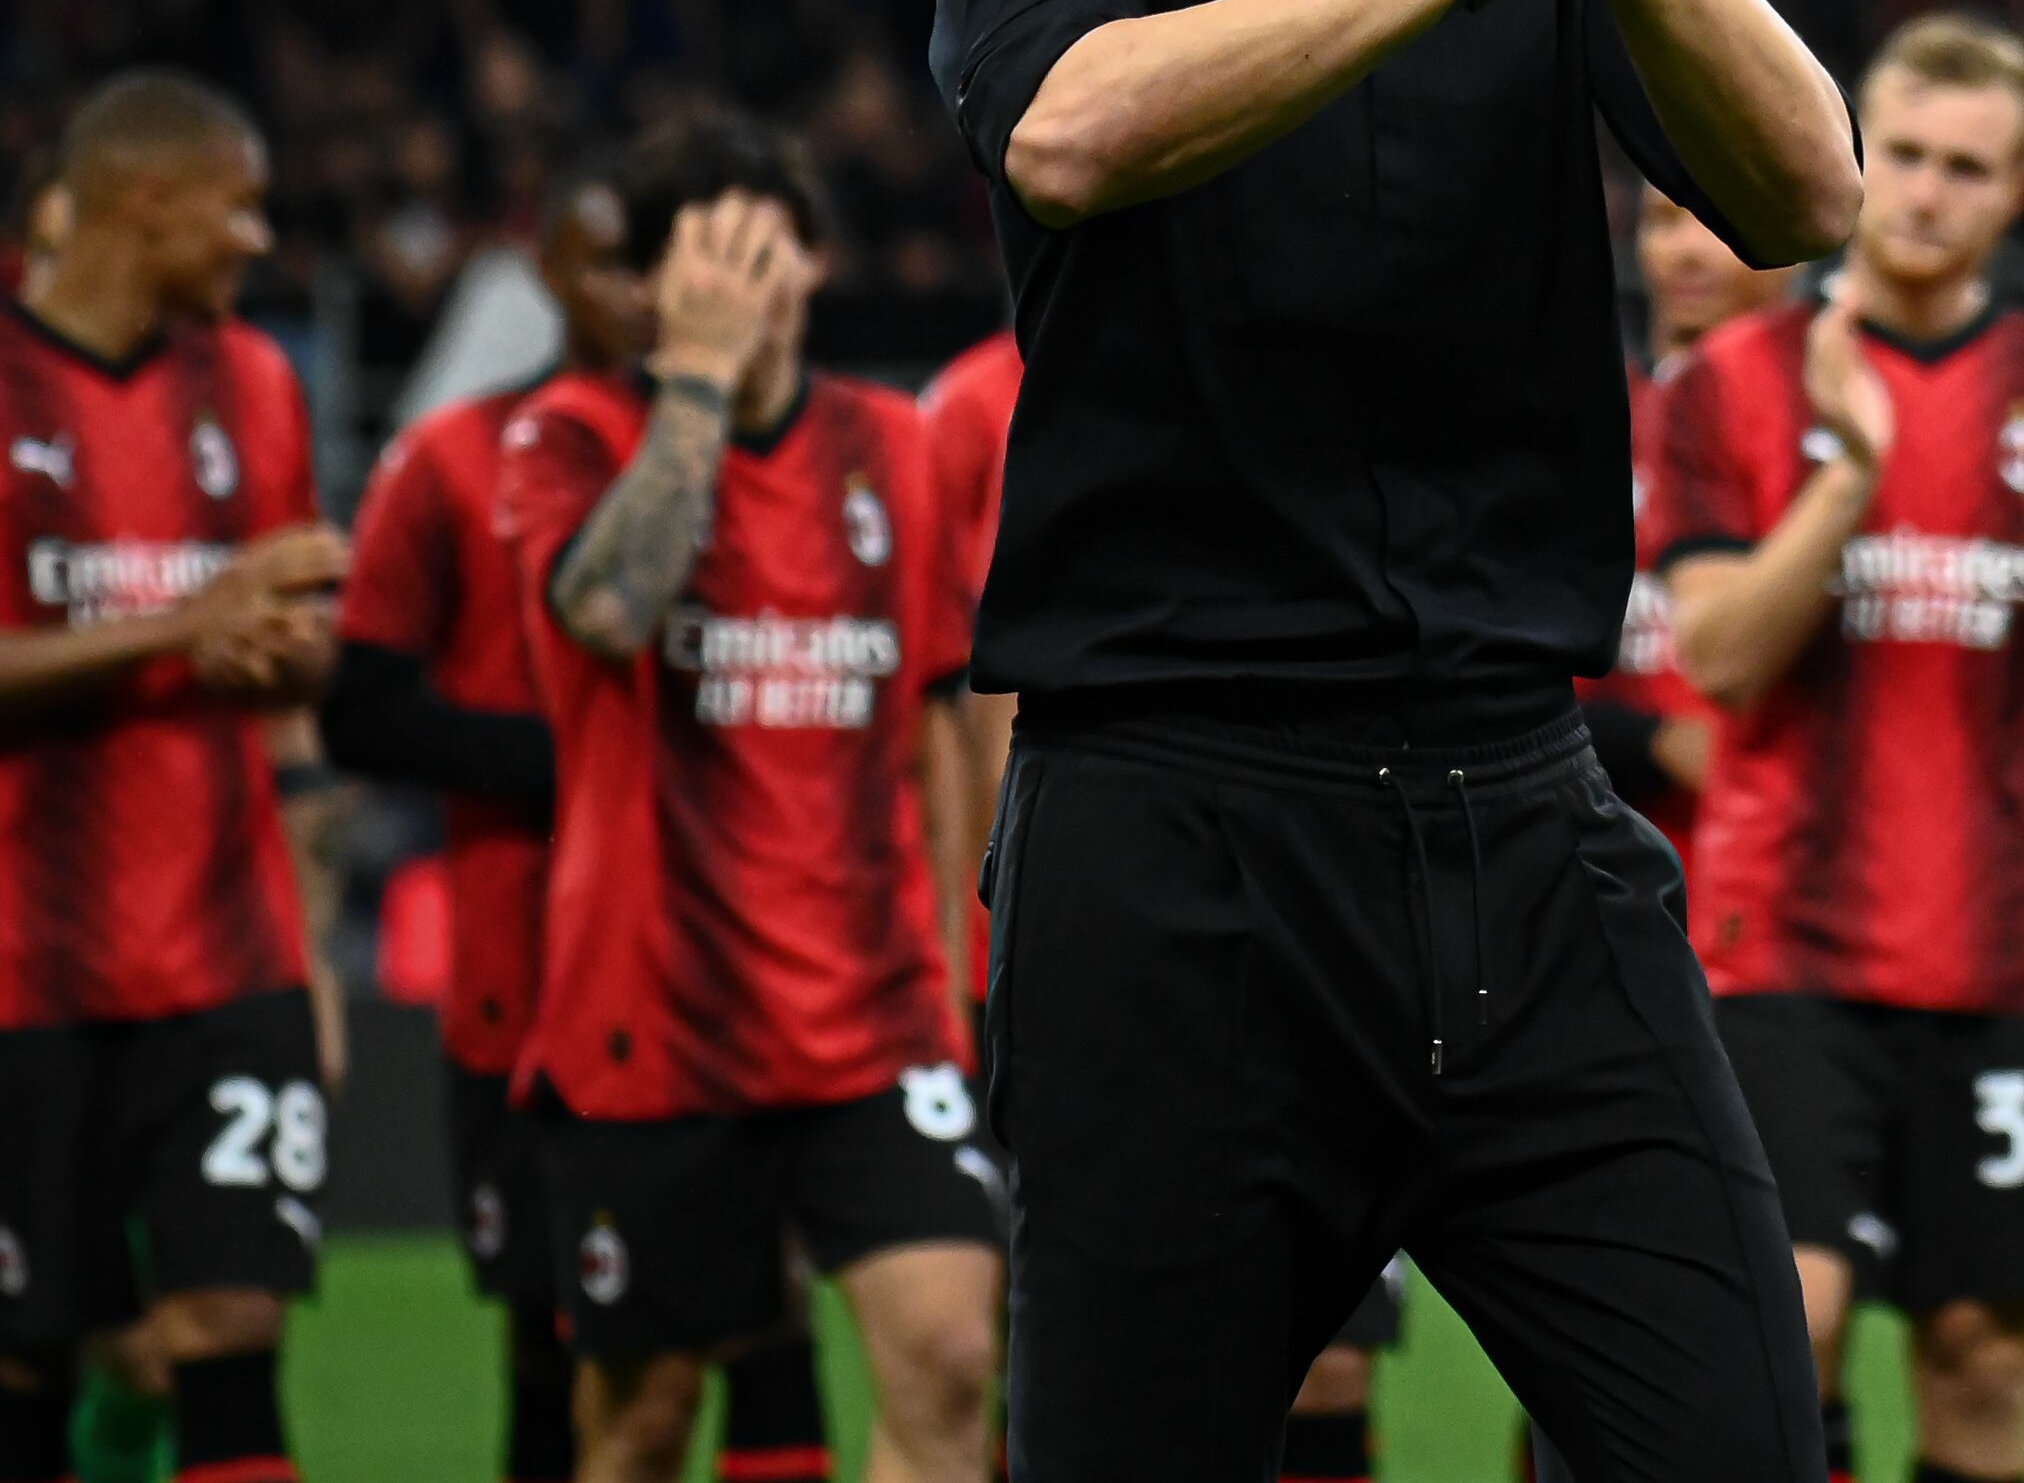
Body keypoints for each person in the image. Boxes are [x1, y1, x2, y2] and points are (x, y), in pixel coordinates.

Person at [912, 0, 1858, 1483]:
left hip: (1524, 814)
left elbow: (1807, 183)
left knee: (1741, 1453)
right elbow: (1065, 124)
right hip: (1176, 828)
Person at [1648, 16, 2024, 1483]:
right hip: (1786, 951)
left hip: (2005, 961)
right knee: (1786, 1327)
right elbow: (1722, 653)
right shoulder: (1734, 384)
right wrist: (1848, 476)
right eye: (1908, 157)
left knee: (1986, 1368)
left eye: (1968, 168)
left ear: (2019, 188)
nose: (1928, 193)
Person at [500, 118, 1002, 1483]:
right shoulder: (570, 435)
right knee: (647, 1419)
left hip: (874, 1017)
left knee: (956, 1356)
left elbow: (942, 725)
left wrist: (967, 967)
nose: (730, 280)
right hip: (653, 1028)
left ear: (817, 261)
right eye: (697, 256)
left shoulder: (892, 446)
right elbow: (608, 609)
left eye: (752, 245)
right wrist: (699, 389)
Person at [327, 159, 838, 1483]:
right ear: (546, 272)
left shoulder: (770, 444)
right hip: (525, 972)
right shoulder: (451, 456)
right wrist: (591, 766)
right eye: (605, 264)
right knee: (555, 1347)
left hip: (737, 970)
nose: (635, 293)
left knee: (771, 1324)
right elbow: (360, 708)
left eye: (651, 265)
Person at [916, 320, 1402, 1483]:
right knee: (1074, 1348)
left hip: (1318, 936)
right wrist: (953, 957)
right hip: (1083, 941)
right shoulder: (977, 408)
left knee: (1332, 1356)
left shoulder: (1323, 361)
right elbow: (946, 707)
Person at [0, 75, 342, 1483]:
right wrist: (185, 625)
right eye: (238, 204)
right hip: (26, 969)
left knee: (231, 1322)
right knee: (27, 1355)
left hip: (226, 953)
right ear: (150, 200)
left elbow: (303, 657)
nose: (256, 239)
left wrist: (285, 646)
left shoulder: (254, 382)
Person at [1597, 184, 1797, 824]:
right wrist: (1656, 744)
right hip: (1596, 840)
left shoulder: (1834, 423)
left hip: (1783, 839)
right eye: (1664, 221)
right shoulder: (1582, 421)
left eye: (1716, 223)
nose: (1687, 252)